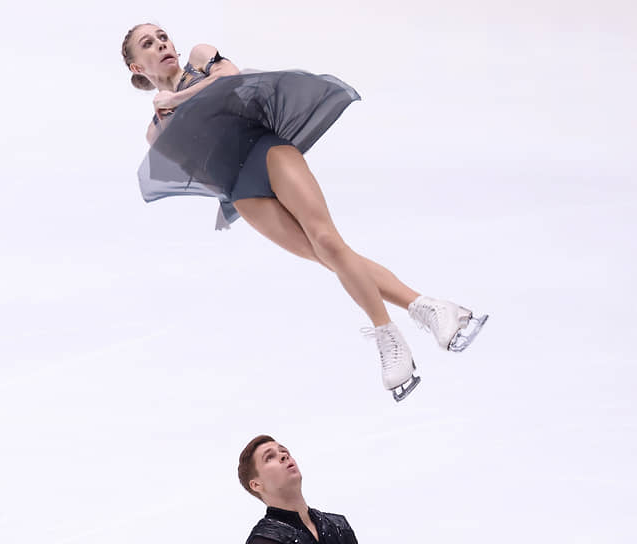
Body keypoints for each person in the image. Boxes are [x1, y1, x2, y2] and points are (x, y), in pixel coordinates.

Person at [120, 23, 488, 401]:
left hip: (266, 152)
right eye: (148, 44)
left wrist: (177, 102)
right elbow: (199, 170)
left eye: (162, 36)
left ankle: (389, 336)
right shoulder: (155, 132)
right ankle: (432, 309)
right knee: (330, 257)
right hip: (242, 193)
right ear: (136, 67)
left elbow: (228, 77)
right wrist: (175, 121)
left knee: (328, 241)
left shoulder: (200, 57)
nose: (162, 44)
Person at [238, 434, 359, 544]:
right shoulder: (264, 540)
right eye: (269, 457)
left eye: (284, 451)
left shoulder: (339, 526)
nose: (284, 455)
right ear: (256, 485)